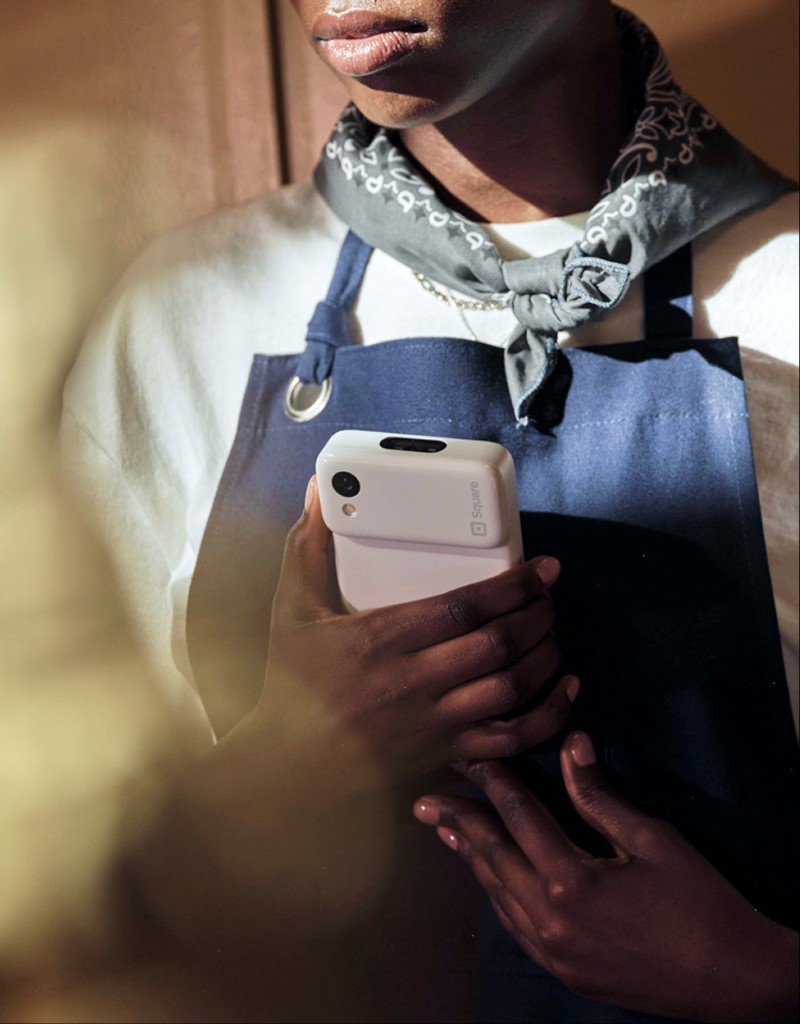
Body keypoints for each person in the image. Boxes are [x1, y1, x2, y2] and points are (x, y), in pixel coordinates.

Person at [61, 1, 798, 1021]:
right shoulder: (181, 316)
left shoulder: (786, 287)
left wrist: (765, 977)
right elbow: (62, 890)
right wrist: (280, 761)